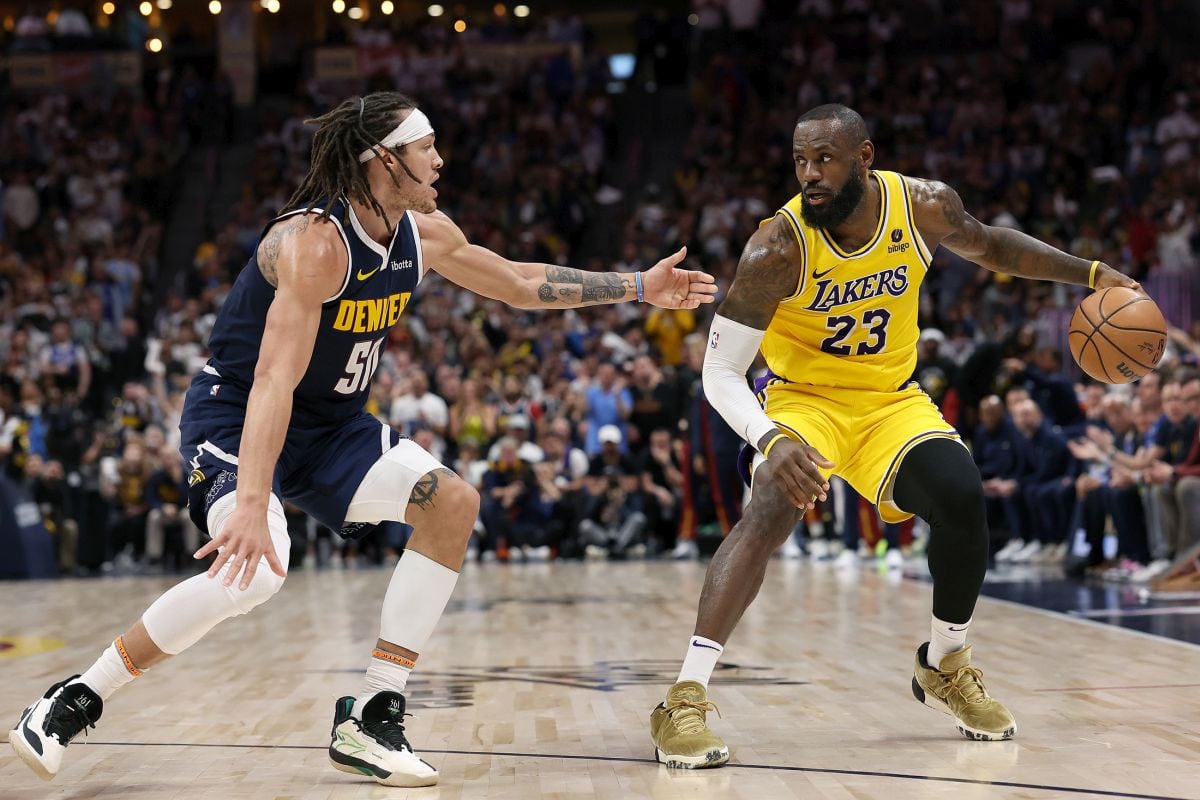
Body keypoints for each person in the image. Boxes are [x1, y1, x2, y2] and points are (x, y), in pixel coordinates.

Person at [8, 92, 716, 788]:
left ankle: (375, 710)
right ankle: (73, 697)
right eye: (425, 148)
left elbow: (518, 284)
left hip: (332, 426)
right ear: (384, 160)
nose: (440, 160)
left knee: (452, 504)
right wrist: (252, 501)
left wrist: (636, 287)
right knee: (253, 572)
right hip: (239, 416)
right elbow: (272, 383)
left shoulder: (423, 231)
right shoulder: (315, 244)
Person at [648, 104, 1142, 768]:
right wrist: (771, 439)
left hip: (889, 401)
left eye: (824, 159)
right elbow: (719, 370)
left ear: (864, 157)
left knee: (962, 493)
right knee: (770, 503)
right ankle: (683, 698)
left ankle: (944, 664)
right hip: (806, 402)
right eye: (800, 160)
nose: (810, 175)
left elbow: (994, 246)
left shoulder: (924, 207)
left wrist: (1089, 273)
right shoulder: (779, 245)